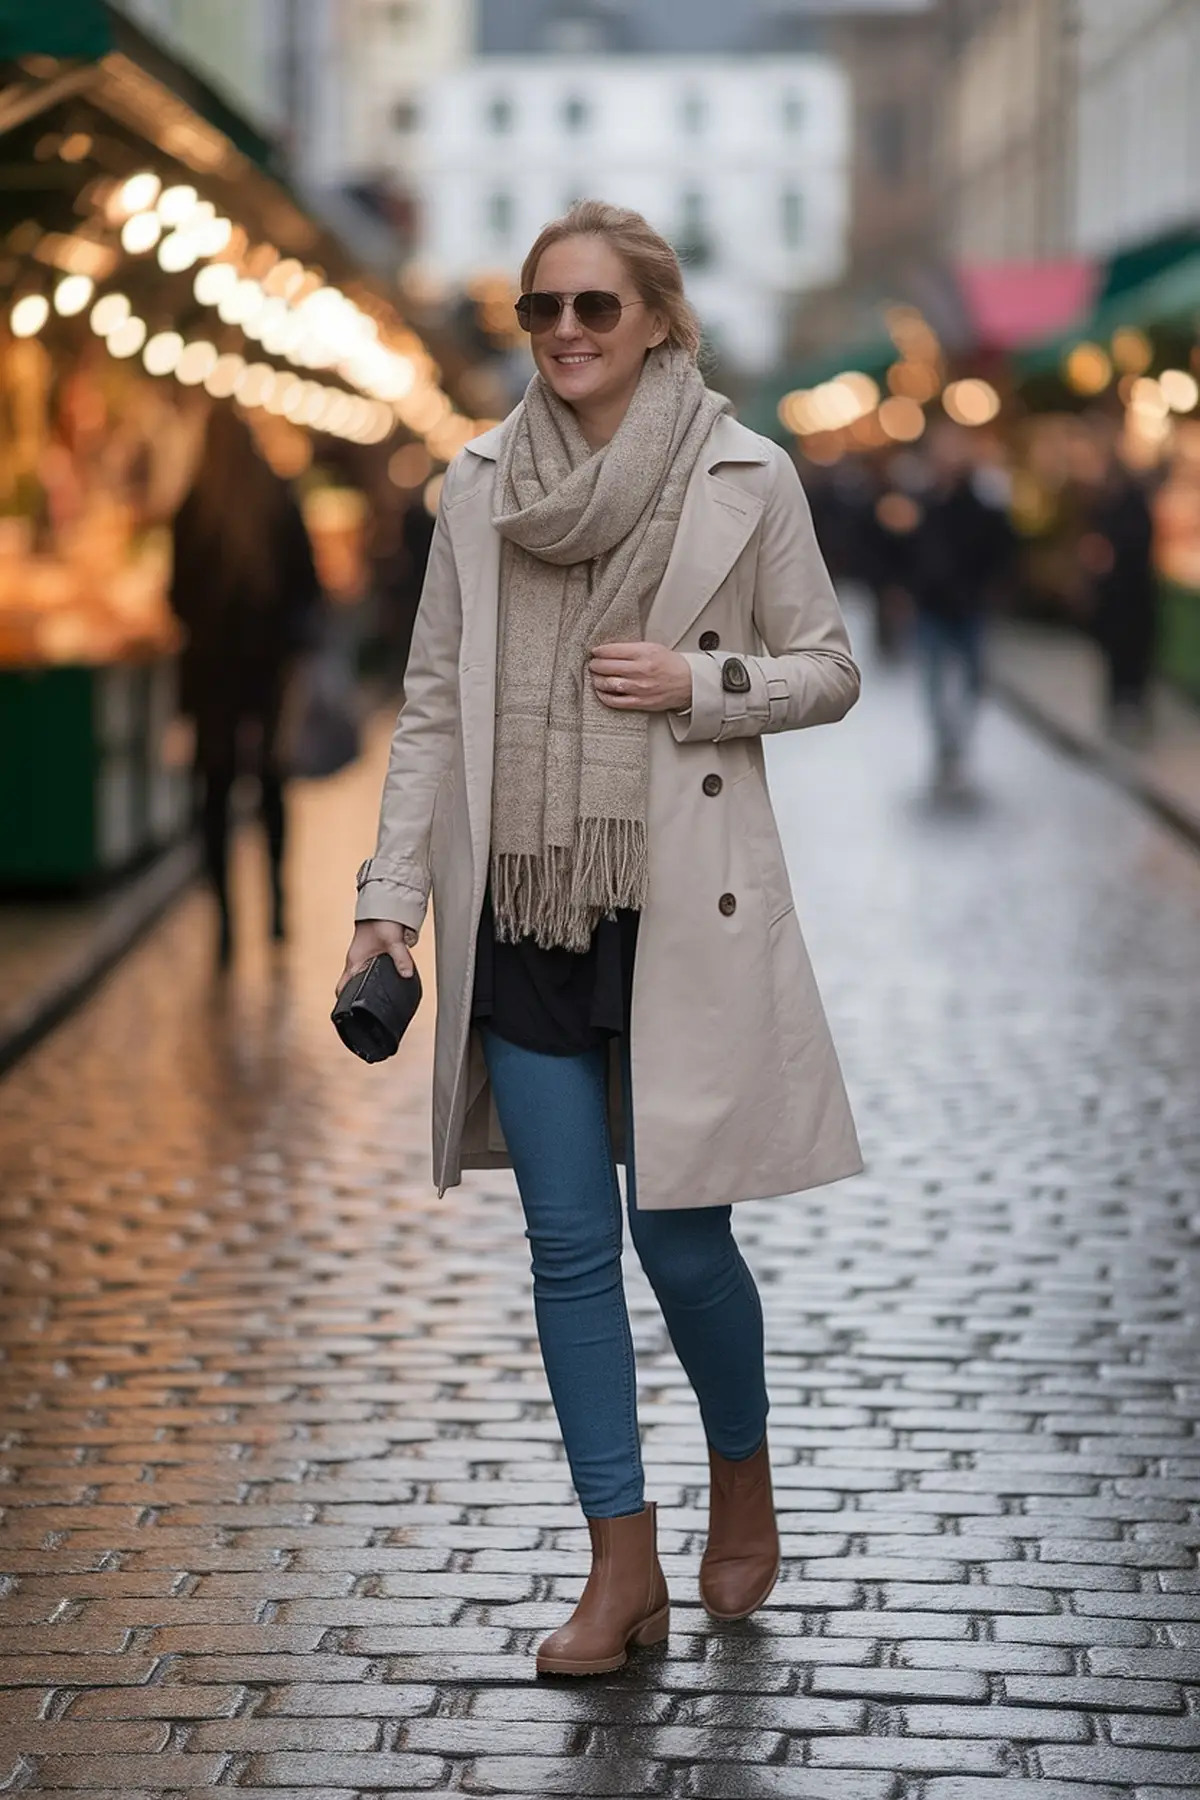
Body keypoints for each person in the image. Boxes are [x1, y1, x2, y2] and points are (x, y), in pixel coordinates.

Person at [338, 201, 862, 1678]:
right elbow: (435, 706)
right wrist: (389, 902)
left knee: (681, 1242)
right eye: (540, 311)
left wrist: (705, 680)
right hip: (521, 902)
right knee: (568, 1248)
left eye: (594, 309)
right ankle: (618, 1565)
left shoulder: (748, 476)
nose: (565, 333)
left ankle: (742, 1473)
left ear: (658, 323)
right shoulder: (479, 484)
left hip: (677, 898)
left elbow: (831, 668)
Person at [170, 406, 319, 966]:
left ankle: (226, 922)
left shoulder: (192, 508)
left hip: (210, 677)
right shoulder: (278, 499)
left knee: (214, 792)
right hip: (270, 674)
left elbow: (176, 597)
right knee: (272, 787)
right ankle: (277, 907)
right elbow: (309, 586)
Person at [874, 423, 1015, 790]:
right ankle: (945, 741)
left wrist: (990, 586)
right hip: (931, 605)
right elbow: (900, 549)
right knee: (934, 679)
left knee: (972, 678)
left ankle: (959, 738)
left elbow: (1001, 547)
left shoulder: (982, 501)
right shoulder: (919, 501)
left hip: (969, 605)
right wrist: (902, 586)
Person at [1070, 416, 1158, 739]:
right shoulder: (1102, 508)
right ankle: (1120, 704)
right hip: (1114, 598)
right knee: (1116, 655)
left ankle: (1131, 703)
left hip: (1132, 594)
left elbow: (1137, 545)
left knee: (1133, 654)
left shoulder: (1132, 508)